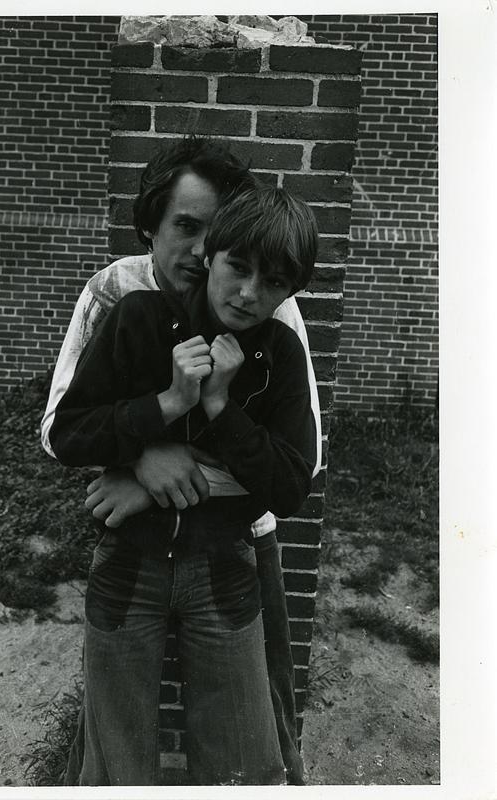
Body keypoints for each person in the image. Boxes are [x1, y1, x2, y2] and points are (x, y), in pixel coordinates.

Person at [47, 182, 318, 786]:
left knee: (244, 764)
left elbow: (292, 485)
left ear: (292, 290)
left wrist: (222, 408)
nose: (249, 294)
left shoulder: (278, 351)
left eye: (273, 283)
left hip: (223, 564)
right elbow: (68, 434)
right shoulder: (137, 317)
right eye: (238, 268)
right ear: (213, 256)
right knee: (115, 767)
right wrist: (167, 404)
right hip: (129, 561)